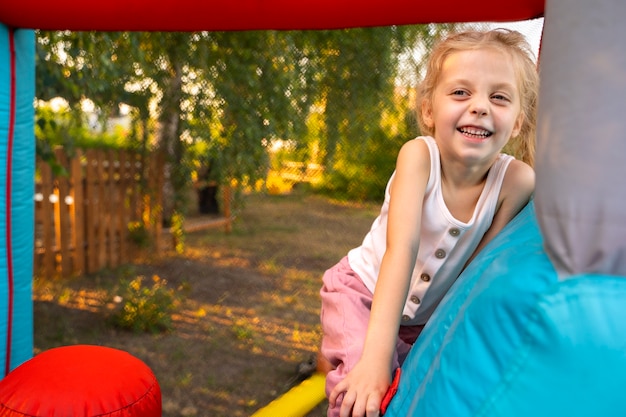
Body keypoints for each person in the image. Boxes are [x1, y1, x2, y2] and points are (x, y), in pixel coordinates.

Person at [319, 28, 539, 417]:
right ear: (428, 111)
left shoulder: (516, 182)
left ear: (518, 122)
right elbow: (400, 251)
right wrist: (375, 361)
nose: (480, 107)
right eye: (460, 93)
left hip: (421, 321)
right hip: (364, 294)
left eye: (499, 97)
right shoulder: (419, 157)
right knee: (361, 389)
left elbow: (478, 273)